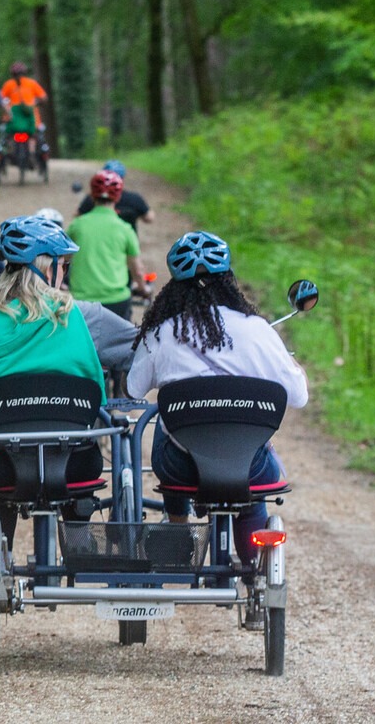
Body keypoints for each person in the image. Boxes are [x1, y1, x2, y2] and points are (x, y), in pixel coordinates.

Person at [0, 215, 136, 548]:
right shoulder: (85, 317)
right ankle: (78, 544)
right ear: (48, 270)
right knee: (86, 448)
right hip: (72, 463)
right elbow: (139, 351)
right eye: (64, 265)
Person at [125, 230, 308, 573]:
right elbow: (299, 396)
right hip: (246, 466)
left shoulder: (164, 332)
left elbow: (134, 390)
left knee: (167, 425)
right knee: (255, 475)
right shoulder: (257, 330)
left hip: (181, 468)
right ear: (229, 279)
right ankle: (254, 568)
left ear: (174, 286)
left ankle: (178, 526)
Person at [66, 169, 149, 321]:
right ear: (118, 197)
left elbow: (63, 260)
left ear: (92, 195)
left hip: (81, 301)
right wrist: (143, 289)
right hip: (116, 301)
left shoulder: (77, 226)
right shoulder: (125, 229)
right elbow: (137, 270)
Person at [75, 160, 155, 235]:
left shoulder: (91, 199)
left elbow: (77, 216)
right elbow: (149, 218)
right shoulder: (135, 199)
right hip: (126, 243)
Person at [0, 61, 47, 163]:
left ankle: (11, 153)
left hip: (14, 118)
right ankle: (32, 154)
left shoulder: (9, 84)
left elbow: (1, 99)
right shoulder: (32, 83)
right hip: (30, 117)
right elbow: (44, 97)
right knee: (32, 135)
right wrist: (36, 102)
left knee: (9, 135)